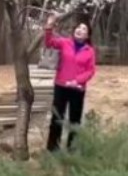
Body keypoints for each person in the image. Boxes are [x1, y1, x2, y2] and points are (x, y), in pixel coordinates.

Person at [43, 15, 96, 152]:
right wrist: (49, 26)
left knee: (75, 121)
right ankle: (52, 149)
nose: (79, 30)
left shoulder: (89, 51)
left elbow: (90, 71)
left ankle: (72, 150)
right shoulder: (65, 42)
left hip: (78, 89)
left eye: (83, 29)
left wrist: (77, 81)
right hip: (61, 86)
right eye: (78, 27)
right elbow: (49, 43)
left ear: (87, 35)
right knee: (57, 117)